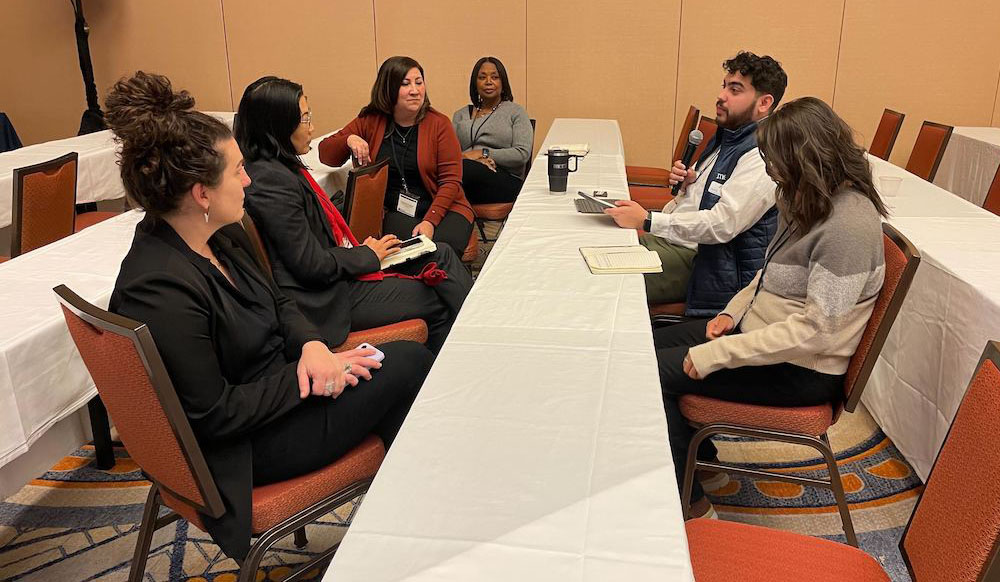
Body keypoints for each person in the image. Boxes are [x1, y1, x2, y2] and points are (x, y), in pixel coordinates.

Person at [105, 71, 434, 560]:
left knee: (397, 373)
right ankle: (408, 535)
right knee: (408, 366)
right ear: (201, 192)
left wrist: (314, 347)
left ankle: (401, 533)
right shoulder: (157, 286)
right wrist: (313, 375)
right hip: (246, 445)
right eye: (238, 170)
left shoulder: (222, 233)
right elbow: (217, 415)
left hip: (279, 392)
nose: (249, 180)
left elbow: (279, 301)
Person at [654, 96, 888, 519]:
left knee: (650, 373)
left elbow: (816, 332)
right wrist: (731, 313)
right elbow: (766, 274)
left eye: (774, 159)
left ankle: (690, 508)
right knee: (643, 346)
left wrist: (716, 353)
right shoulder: (810, 199)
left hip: (801, 370)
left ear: (808, 158)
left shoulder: (849, 226)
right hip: (762, 336)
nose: (770, 169)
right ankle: (697, 458)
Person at [235, 76, 472, 354]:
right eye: (304, 118)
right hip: (327, 300)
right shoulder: (270, 181)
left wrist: (366, 252)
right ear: (278, 125)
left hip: (341, 270)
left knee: (440, 253)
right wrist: (367, 255)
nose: (312, 127)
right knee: (438, 298)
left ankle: (481, 333)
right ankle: (445, 369)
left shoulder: (282, 168)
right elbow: (310, 265)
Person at [605, 52, 787, 316]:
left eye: (735, 90)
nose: (722, 96)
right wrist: (689, 186)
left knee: (599, 280)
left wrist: (647, 220)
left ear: (764, 102)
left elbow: (722, 225)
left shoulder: (763, 154)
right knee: (590, 251)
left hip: (702, 264)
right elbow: (709, 200)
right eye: (724, 86)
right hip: (674, 241)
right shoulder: (729, 137)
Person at [319, 56, 475, 257]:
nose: (415, 90)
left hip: (444, 207)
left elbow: (451, 181)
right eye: (405, 84)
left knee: (442, 249)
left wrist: (430, 220)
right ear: (389, 88)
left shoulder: (439, 124)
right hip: (398, 211)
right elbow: (326, 154)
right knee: (408, 252)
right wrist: (349, 139)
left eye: (419, 83)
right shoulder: (371, 120)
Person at [452, 57, 533, 204]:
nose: (488, 81)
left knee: (464, 169)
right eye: (482, 77)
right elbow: (449, 154)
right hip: (466, 175)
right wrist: (472, 159)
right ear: (475, 84)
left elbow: (522, 154)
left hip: (504, 179)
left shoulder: (515, 112)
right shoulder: (460, 114)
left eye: (495, 77)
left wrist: (482, 153)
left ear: (503, 82)